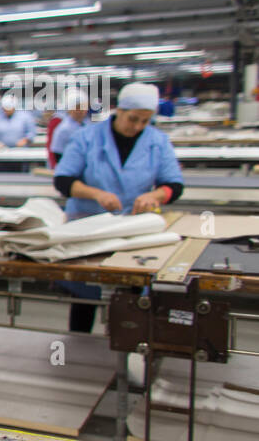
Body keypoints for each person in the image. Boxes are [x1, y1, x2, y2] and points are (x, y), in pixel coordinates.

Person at [53, 83, 185, 333]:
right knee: (86, 294)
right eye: (133, 119)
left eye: (145, 121)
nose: (137, 126)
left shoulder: (158, 141)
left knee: (131, 293)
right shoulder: (86, 137)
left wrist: (154, 196)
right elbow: (63, 181)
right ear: (119, 110)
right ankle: (80, 348)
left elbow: (174, 185)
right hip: (87, 225)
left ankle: (124, 351)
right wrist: (96, 194)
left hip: (132, 228)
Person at [48, 88, 91, 167]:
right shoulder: (63, 129)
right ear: (71, 109)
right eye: (79, 107)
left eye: (85, 107)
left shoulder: (87, 124)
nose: (83, 110)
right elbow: (57, 154)